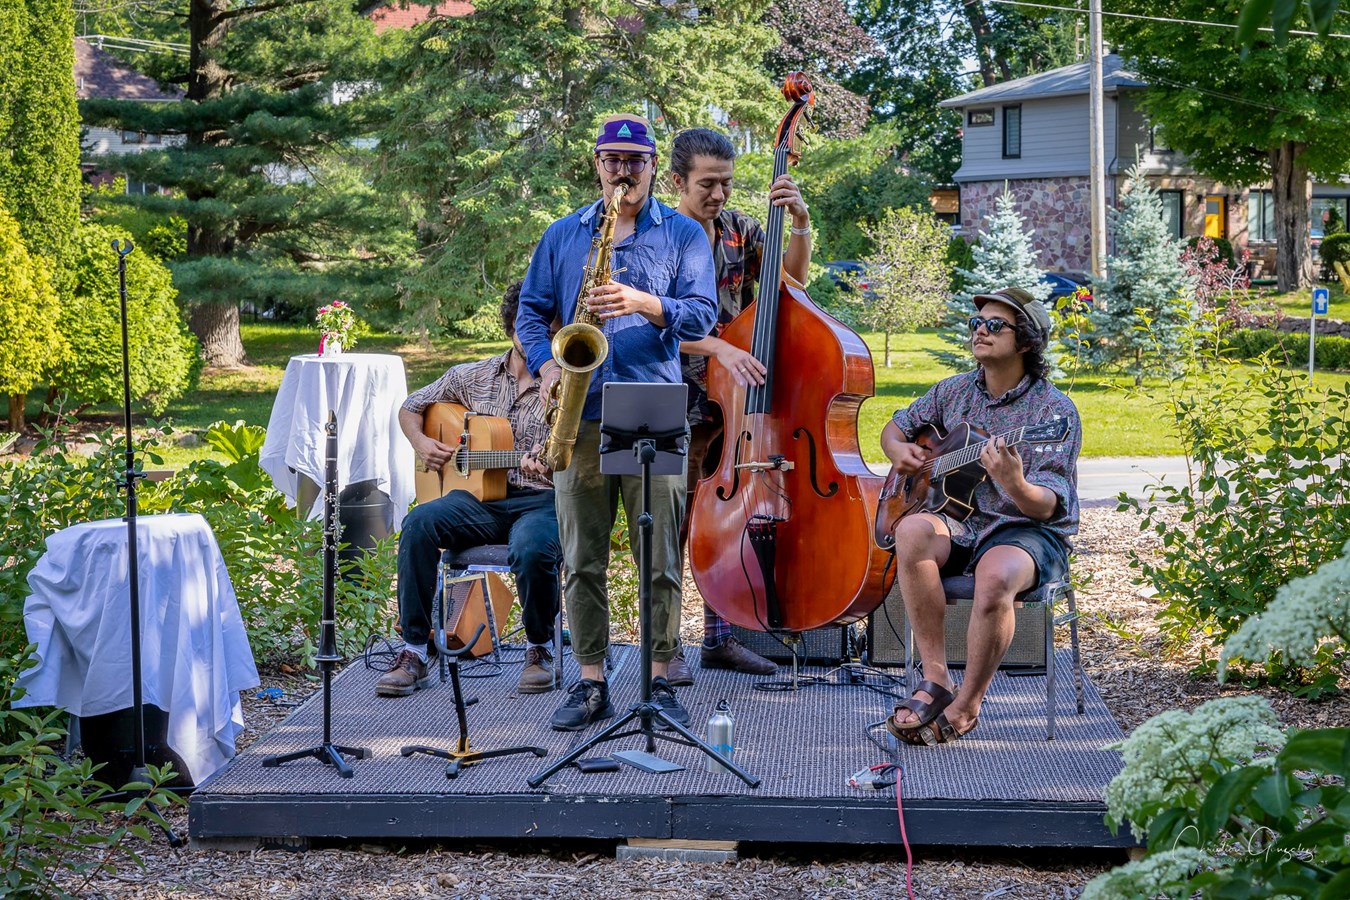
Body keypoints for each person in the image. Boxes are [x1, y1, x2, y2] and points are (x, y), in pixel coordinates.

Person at [515, 114, 718, 732]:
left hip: (650, 409)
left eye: (635, 161)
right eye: (612, 160)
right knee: (581, 557)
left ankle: (659, 680)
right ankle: (591, 680)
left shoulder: (684, 234)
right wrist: (547, 363)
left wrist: (643, 303)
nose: (623, 172)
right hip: (579, 416)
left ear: (655, 166)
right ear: (597, 164)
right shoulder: (562, 234)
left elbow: (704, 316)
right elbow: (531, 313)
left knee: (658, 556)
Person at [879, 286, 1080, 745]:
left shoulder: (1054, 413)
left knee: (994, 577)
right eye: (976, 324)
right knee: (910, 529)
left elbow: (1047, 505)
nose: (980, 332)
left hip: (1026, 530)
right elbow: (897, 426)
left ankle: (968, 703)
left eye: (995, 326)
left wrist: (1014, 482)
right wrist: (902, 452)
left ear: (1026, 341)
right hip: (962, 522)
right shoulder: (953, 391)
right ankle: (936, 679)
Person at [666, 127, 813, 684]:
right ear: (678, 180)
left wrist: (798, 223)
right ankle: (666, 645)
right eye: (708, 184)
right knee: (673, 525)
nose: (720, 195)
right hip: (675, 396)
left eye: (727, 183)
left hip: (736, 405)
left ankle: (719, 639)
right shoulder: (657, 236)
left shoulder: (742, 232)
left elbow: (792, 284)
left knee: (727, 522)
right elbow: (639, 322)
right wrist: (717, 348)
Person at [377, 282, 562, 698]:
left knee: (533, 548)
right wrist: (423, 444)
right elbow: (412, 407)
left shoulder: (566, 385)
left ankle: (539, 649)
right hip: (477, 502)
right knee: (419, 523)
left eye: (551, 332)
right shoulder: (472, 375)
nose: (541, 340)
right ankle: (414, 651)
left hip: (540, 499)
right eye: (531, 327)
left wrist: (548, 460)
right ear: (513, 327)